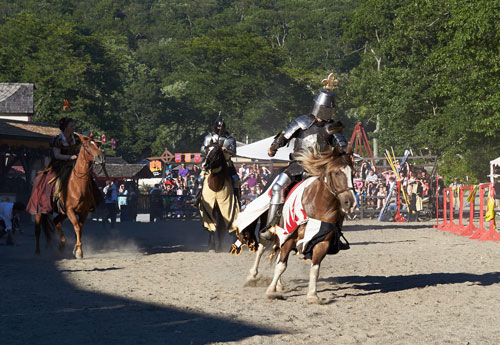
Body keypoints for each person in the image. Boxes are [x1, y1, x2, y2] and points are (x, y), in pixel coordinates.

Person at [261, 78, 349, 250]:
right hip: (299, 165)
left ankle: (336, 235)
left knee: (340, 196)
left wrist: (346, 151)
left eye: (331, 109)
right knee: (279, 187)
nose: (329, 112)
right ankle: (270, 227)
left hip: (321, 168)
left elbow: (342, 144)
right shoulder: (302, 121)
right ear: (319, 107)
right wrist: (274, 147)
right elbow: (285, 135)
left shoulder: (332, 127)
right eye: (327, 108)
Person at [27, 117, 81, 214]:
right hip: (59, 164)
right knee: (51, 181)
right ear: (65, 127)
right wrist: (69, 157)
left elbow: (79, 149)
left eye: (74, 125)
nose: (74, 127)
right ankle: (50, 201)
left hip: (74, 163)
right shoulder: (58, 139)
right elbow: (57, 155)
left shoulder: (76, 138)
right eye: (71, 126)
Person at [194, 115, 240, 205]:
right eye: (218, 126)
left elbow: (234, 152)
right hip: (211, 162)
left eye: (221, 126)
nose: (219, 128)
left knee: (235, 179)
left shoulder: (230, 139)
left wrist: (225, 149)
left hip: (226, 163)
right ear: (215, 126)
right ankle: (197, 198)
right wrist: (212, 148)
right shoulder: (209, 137)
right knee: (200, 178)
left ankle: (237, 198)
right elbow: (203, 150)